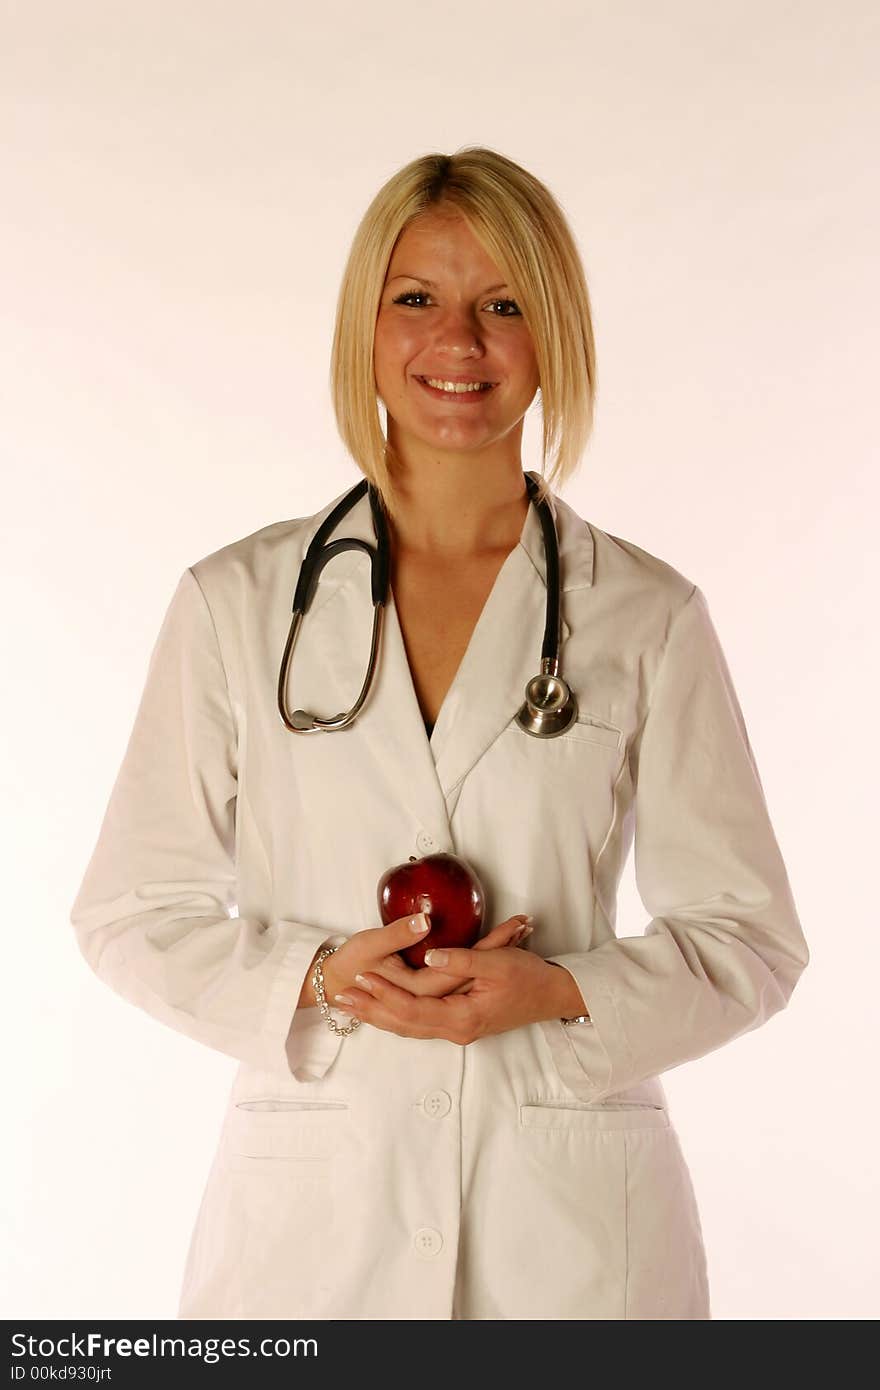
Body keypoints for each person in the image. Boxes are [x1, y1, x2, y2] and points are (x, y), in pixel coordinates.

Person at [70, 146, 809, 1321]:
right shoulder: (237, 603)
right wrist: (309, 977)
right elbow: (126, 913)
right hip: (313, 1234)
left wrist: (557, 992)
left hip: (569, 1239)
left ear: (551, 336)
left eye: (502, 305)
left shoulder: (645, 615)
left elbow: (749, 939)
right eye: (416, 297)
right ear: (363, 326)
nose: (457, 343)